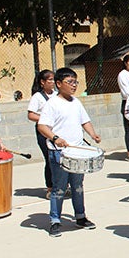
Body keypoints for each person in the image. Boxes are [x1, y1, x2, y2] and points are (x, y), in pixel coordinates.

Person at [37, 68, 100, 237]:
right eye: (70, 82)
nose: (74, 85)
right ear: (58, 84)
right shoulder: (52, 104)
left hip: (77, 152)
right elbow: (42, 126)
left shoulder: (76, 102)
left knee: (78, 186)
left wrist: (93, 134)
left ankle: (80, 217)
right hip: (59, 152)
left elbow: (85, 121)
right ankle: (55, 221)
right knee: (59, 188)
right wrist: (55, 138)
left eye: (75, 82)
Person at [27, 69, 56, 198]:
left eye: (53, 79)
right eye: (50, 80)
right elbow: (31, 115)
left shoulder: (57, 95)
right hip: (43, 131)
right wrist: (45, 119)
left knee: (59, 158)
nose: (53, 82)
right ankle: (50, 187)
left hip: (57, 130)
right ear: (42, 82)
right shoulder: (37, 97)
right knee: (49, 159)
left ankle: (62, 185)